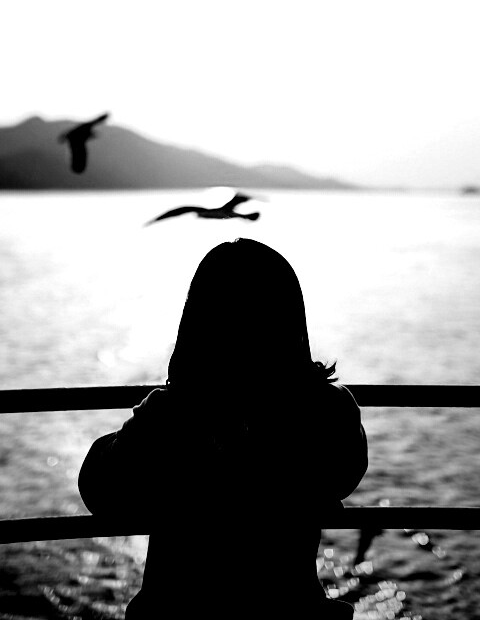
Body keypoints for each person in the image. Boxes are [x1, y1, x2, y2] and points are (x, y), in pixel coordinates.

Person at [79, 238, 368, 618]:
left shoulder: (171, 412)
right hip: (291, 611)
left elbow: (101, 492)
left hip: (177, 613)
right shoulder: (328, 409)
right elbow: (344, 478)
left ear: (195, 324)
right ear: (290, 318)